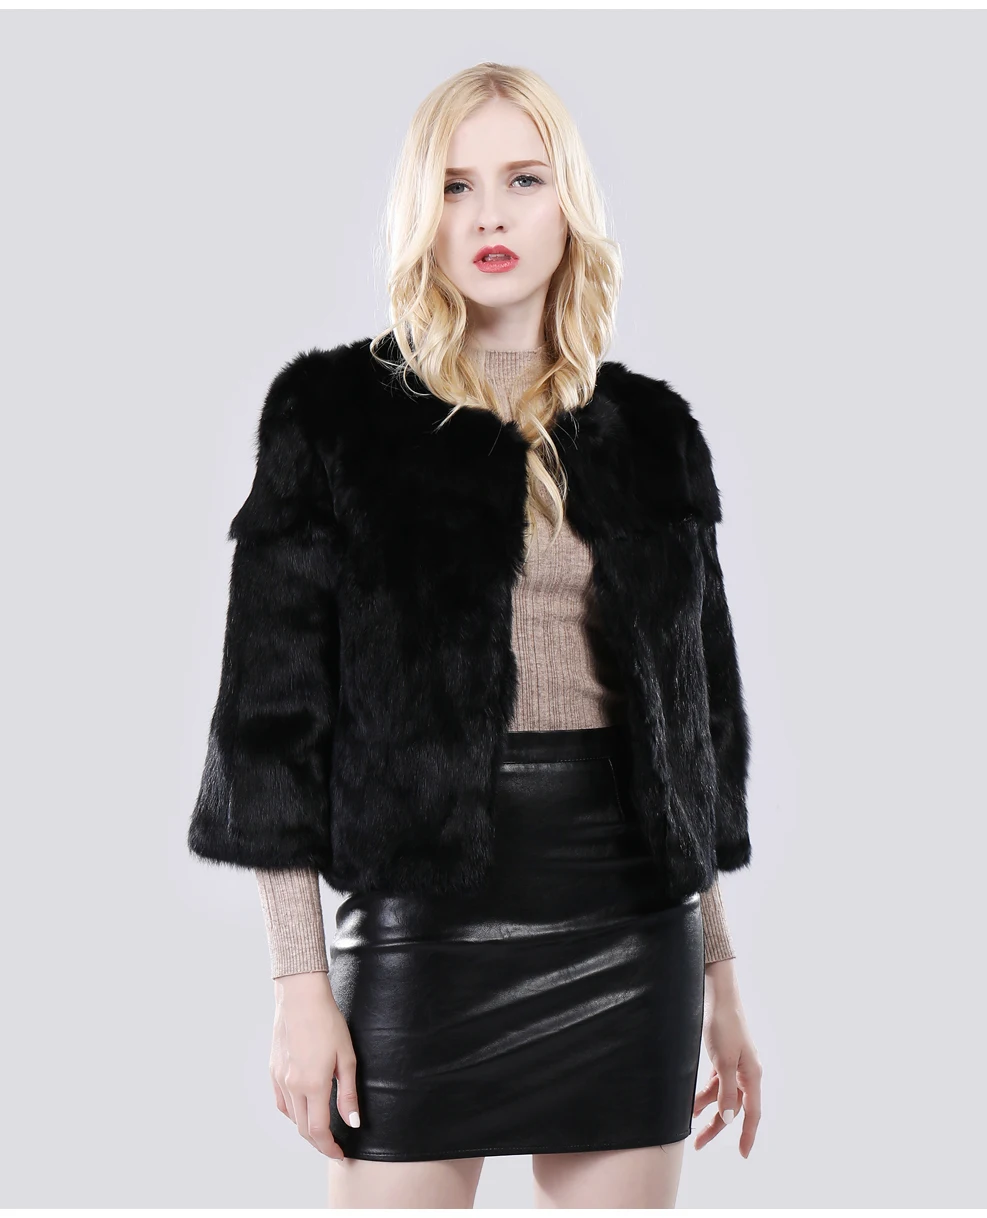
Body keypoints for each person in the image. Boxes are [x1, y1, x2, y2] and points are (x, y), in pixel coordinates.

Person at [188, 62, 763, 1209]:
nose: (489, 215)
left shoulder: (652, 432)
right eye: (454, 186)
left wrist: (722, 974)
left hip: (629, 927)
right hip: (423, 923)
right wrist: (299, 986)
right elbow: (269, 732)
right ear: (421, 212)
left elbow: (691, 730)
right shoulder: (333, 418)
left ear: (569, 204)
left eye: (522, 179)